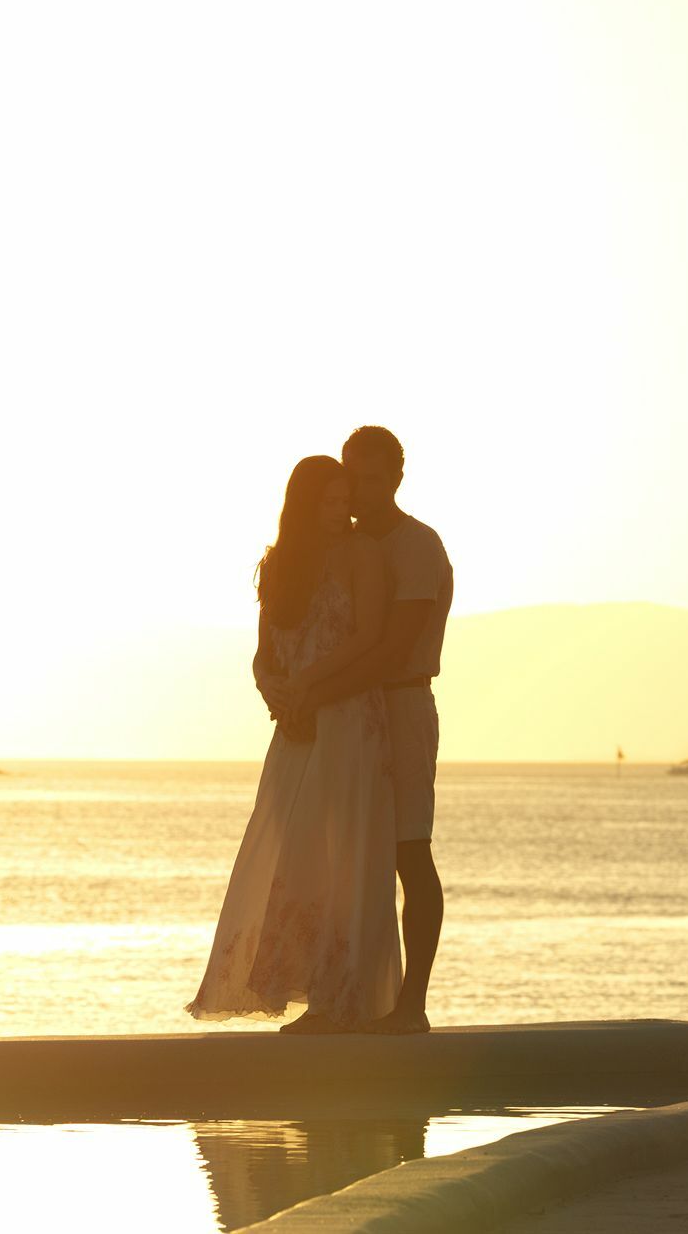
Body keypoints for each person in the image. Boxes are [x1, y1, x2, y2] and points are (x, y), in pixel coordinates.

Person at [186, 456, 401, 1032]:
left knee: (345, 859)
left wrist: (309, 684)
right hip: (297, 726)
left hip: (349, 722)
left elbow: (369, 637)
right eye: (328, 503)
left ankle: (344, 999)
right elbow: (263, 651)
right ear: (304, 505)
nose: (341, 512)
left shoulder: (363, 555)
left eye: (343, 501)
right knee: (291, 858)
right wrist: (272, 687)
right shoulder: (280, 563)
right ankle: (312, 995)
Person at [274, 426, 452, 1034]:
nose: (361, 491)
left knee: (409, 852)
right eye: (354, 477)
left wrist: (313, 694)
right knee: (339, 858)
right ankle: (336, 1000)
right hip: (348, 718)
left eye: (373, 479)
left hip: (400, 708)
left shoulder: (417, 547)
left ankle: (410, 1007)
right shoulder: (340, 547)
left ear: (398, 477)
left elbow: (389, 648)